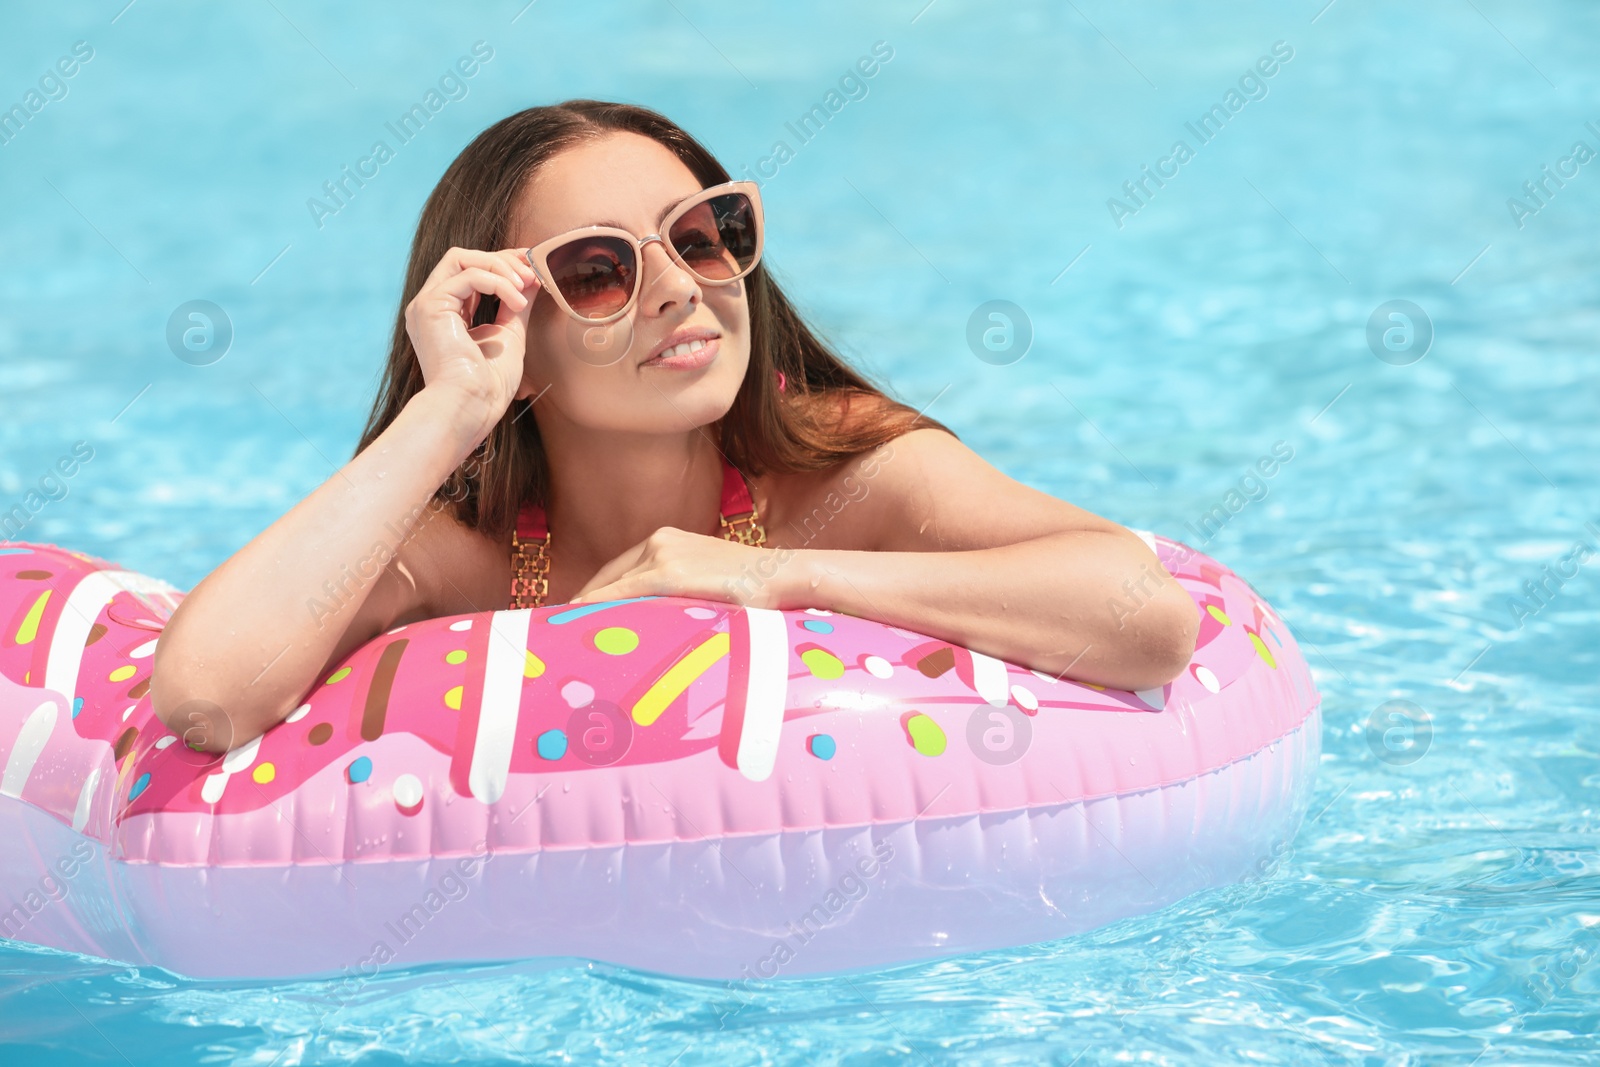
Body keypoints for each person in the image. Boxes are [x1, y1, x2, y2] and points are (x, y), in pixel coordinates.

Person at [152, 100, 1197, 754]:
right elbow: (207, 699)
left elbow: (1147, 616)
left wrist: (781, 578)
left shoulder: (846, 471)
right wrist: (451, 409)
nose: (677, 291)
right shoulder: (463, 552)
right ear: (506, 322)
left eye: (702, 238)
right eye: (599, 269)